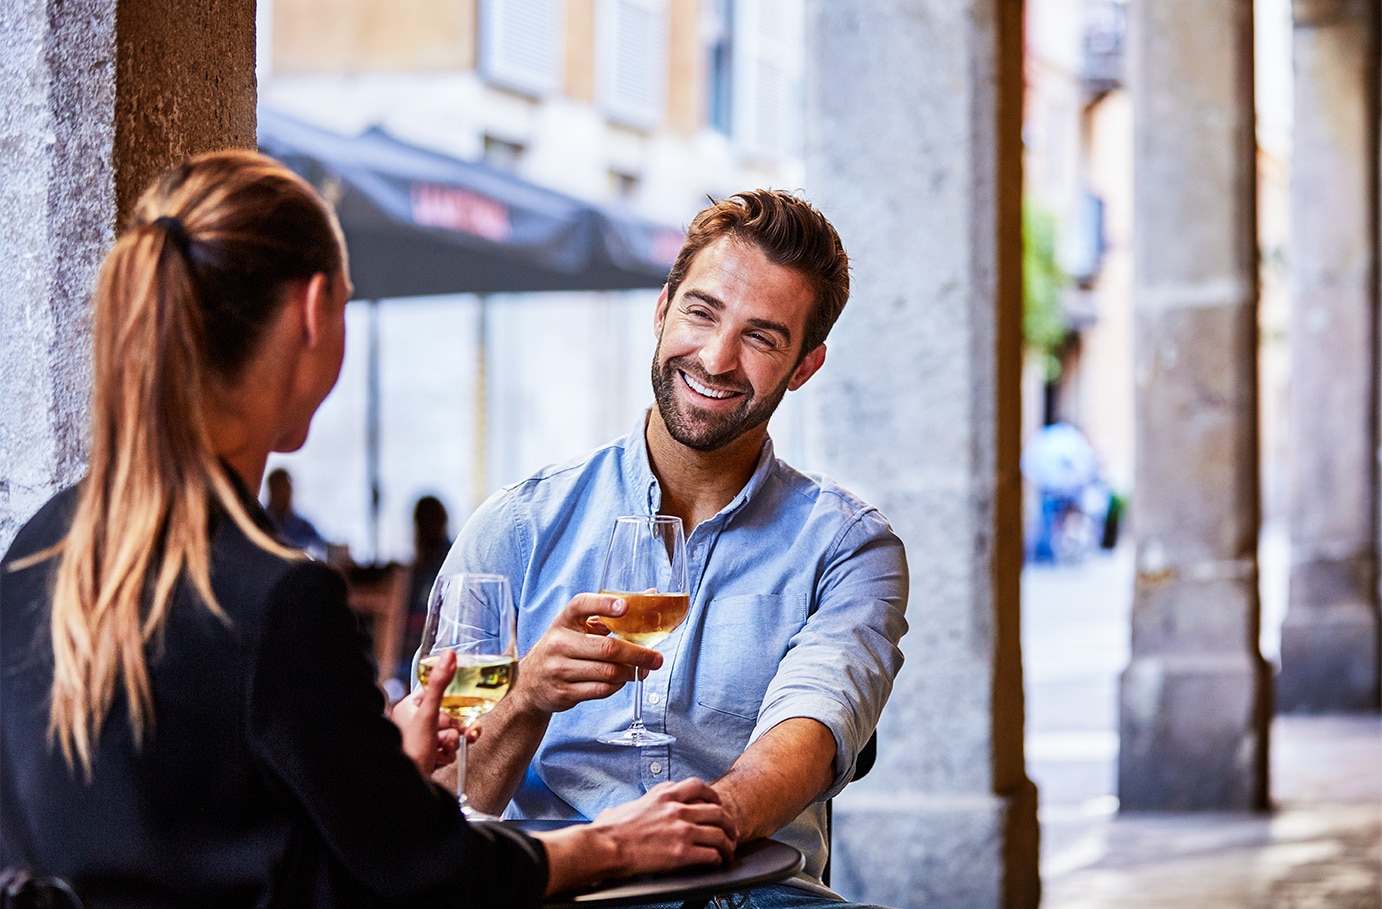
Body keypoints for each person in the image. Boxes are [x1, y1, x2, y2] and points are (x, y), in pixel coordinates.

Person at [0, 149, 735, 907]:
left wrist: (383, 779)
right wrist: (612, 843)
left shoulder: (37, 548)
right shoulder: (279, 597)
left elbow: (187, 831)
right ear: (314, 309)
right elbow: (430, 875)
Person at [439, 190, 909, 906]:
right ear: (663, 309)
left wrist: (676, 835)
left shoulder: (848, 547)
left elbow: (807, 738)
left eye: (762, 336)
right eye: (703, 312)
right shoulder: (518, 526)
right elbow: (433, 806)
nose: (717, 358)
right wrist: (527, 696)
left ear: (805, 365)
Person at [263, 465, 329, 558]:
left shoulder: (304, 527)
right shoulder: (260, 522)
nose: (285, 495)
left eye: (287, 489)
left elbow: (320, 549)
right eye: (280, 489)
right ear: (271, 490)